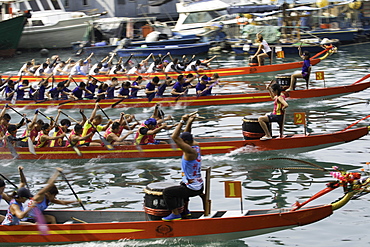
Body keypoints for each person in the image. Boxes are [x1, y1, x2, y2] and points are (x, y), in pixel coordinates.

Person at [162, 113, 203, 221]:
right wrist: (190, 121)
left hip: (192, 188)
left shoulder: (189, 152)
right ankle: (185, 211)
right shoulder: (196, 145)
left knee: (167, 192)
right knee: (182, 183)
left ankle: (175, 214)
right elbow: (187, 133)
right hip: (198, 184)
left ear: (185, 142)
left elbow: (174, 137)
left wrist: (182, 121)